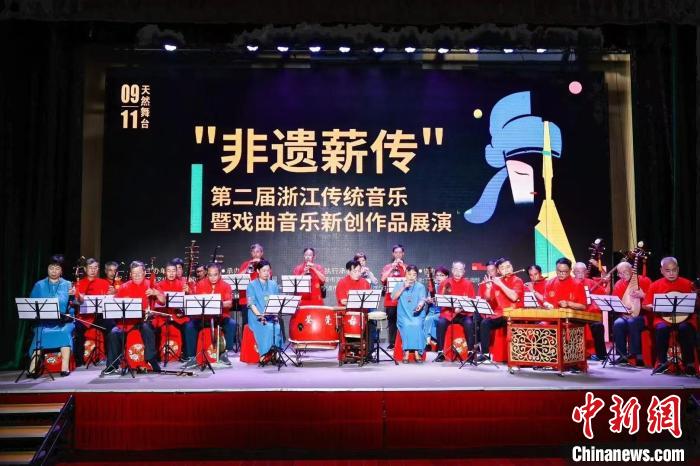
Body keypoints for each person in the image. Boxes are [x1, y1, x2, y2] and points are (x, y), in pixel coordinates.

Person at [103, 261, 161, 374]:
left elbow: (163, 301)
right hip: (127, 322)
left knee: (147, 328)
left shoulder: (151, 284)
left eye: (139, 272)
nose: (137, 275)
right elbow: (115, 306)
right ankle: (112, 364)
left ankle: (151, 359)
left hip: (144, 321)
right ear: (130, 274)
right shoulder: (124, 286)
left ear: (144, 272)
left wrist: (156, 293)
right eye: (134, 273)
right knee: (114, 333)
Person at [642, 257, 697, 376]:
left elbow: (696, 304)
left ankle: (689, 364)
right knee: (661, 329)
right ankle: (662, 363)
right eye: (667, 270)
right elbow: (645, 305)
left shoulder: (688, 284)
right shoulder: (655, 285)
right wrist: (653, 306)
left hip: (685, 318)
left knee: (685, 329)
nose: (671, 273)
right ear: (661, 271)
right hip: (662, 318)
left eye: (674, 270)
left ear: (678, 269)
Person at [27, 255, 75, 377]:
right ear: (47, 269)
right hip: (44, 322)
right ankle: (32, 368)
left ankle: (64, 367)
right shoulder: (39, 285)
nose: (54, 271)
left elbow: (76, 303)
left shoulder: (68, 284)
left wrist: (76, 295)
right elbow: (31, 305)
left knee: (64, 332)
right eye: (51, 268)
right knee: (39, 333)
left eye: (57, 268)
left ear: (61, 271)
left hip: (63, 322)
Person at [181, 262, 234, 368]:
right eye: (210, 275)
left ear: (220, 274)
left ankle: (224, 354)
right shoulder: (200, 284)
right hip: (203, 317)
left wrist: (217, 303)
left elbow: (229, 303)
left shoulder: (226, 286)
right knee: (189, 326)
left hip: (220, 317)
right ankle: (192, 357)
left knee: (231, 324)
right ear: (207, 274)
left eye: (215, 275)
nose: (212, 277)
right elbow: (194, 300)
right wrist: (189, 293)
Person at [478, 257, 524, 361]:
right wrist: (489, 288)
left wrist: (500, 284)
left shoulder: (517, 281)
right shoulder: (497, 281)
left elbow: (514, 297)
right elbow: (488, 298)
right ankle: (485, 354)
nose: (506, 270)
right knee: (485, 322)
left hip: (514, 314)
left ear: (512, 267)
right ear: (498, 271)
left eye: (508, 267)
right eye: (503, 268)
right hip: (500, 315)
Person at [433, 261, 476, 362]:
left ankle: (470, 352)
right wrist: (453, 308)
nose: (457, 272)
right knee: (441, 323)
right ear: (452, 270)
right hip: (448, 313)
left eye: (460, 270)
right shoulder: (445, 283)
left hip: (463, 314)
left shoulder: (468, 284)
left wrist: (460, 308)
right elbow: (441, 301)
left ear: (464, 272)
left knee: (469, 324)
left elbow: (471, 302)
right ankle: (440, 352)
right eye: (455, 269)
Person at [611, 261, 651, 366]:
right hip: (626, 315)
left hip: (643, 315)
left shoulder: (644, 280)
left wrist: (643, 295)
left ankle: (637, 356)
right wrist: (624, 308)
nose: (622, 275)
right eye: (620, 273)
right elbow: (615, 303)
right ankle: (622, 356)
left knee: (633, 322)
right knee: (618, 323)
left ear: (632, 270)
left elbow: (653, 301)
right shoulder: (618, 284)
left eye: (625, 272)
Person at [74, 258, 112, 367]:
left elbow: (110, 300)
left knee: (112, 328)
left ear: (98, 269)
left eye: (95, 267)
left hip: (100, 315)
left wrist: (112, 293)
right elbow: (75, 302)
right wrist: (78, 298)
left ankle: (110, 358)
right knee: (77, 329)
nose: (93, 270)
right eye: (90, 268)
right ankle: (79, 360)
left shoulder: (104, 283)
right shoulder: (79, 283)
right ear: (85, 269)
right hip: (84, 317)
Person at [246, 260, 283, 362]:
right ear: (258, 271)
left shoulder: (273, 284)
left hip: (270, 315)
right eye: (264, 271)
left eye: (268, 270)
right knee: (269, 327)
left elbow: (277, 301)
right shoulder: (252, 285)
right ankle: (264, 354)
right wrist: (260, 316)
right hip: (256, 316)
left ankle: (276, 354)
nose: (266, 273)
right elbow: (251, 304)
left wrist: (275, 315)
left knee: (277, 326)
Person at [153, 262, 190, 363]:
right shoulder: (159, 285)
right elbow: (157, 303)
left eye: (173, 271)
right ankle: (157, 355)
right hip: (162, 315)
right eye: (169, 271)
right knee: (154, 327)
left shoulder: (182, 284)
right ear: (165, 272)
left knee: (187, 327)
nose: (171, 273)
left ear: (177, 272)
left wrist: (188, 292)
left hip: (178, 316)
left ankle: (185, 354)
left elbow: (187, 302)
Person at [392, 265, 428, 363]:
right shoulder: (399, 284)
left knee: (417, 324)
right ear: (405, 274)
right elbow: (394, 297)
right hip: (403, 314)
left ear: (417, 276)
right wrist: (403, 287)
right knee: (407, 324)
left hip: (417, 314)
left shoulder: (420, 286)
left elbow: (422, 299)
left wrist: (419, 306)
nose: (411, 277)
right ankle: (406, 352)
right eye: (409, 274)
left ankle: (417, 352)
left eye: (414, 275)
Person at [572, 261, 608, 361]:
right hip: (575, 315)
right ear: (573, 272)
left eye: (582, 271)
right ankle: (577, 354)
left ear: (586, 272)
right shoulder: (570, 283)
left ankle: (601, 354)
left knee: (598, 325)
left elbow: (605, 293)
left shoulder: (590, 282)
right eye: (577, 271)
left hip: (589, 314)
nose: (580, 274)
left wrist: (608, 281)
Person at [380, 244, 407, 349]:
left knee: (403, 321)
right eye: (396, 252)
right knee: (391, 321)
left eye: (400, 252)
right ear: (393, 254)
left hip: (403, 299)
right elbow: (383, 279)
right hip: (390, 299)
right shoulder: (387, 267)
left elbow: (410, 279)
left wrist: (403, 267)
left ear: (403, 254)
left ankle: (404, 342)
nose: (398, 255)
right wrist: (392, 267)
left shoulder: (406, 267)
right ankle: (392, 343)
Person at [238, 243, 267, 326]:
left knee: (261, 324)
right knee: (247, 324)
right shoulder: (246, 264)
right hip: (246, 299)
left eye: (257, 252)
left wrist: (260, 266)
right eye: (253, 252)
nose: (255, 254)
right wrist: (248, 267)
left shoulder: (265, 265)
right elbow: (238, 278)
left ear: (261, 253)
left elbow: (268, 279)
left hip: (260, 299)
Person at [422, 266, 448, 349]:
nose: (439, 277)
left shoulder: (448, 287)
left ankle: (435, 342)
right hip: (432, 310)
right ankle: (427, 343)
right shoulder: (433, 286)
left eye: (442, 275)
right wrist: (428, 300)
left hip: (443, 312)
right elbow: (428, 298)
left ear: (447, 276)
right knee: (426, 319)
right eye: (437, 275)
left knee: (430, 319)